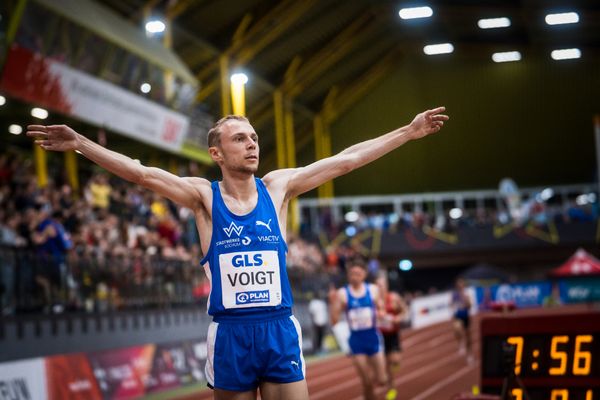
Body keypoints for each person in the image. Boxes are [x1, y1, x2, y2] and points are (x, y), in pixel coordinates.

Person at [27, 106, 448, 400]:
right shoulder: (203, 198)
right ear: (216, 153)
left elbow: (345, 161)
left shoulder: (277, 188)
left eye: (254, 137)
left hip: (279, 329)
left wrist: (407, 133)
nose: (252, 144)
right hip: (230, 335)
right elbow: (139, 172)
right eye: (240, 138)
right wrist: (81, 143)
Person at [330, 258, 387, 400]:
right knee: (366, 382)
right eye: (352, 273)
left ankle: (375, 379)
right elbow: (334, 319)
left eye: (358, 273)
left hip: (373, 337)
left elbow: (381, 308)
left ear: (364, 274)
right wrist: (333, 303)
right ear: (348, 275)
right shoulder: (343, 293)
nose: (355, 276)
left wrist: (381, 312)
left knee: (382, 379)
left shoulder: (372, 290)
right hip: (356, 339)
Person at [375, 271, 408, 400]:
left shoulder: (393, 298)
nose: (379, 288)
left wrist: (396, 319)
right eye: (377, 285)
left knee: (395, 361)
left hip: (393, 334)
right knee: (387, 364)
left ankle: (390, 379)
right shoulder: (373, 301)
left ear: (386, 286)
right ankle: (391, 388)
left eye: (381, 285)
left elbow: (405, 312)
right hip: (380, 336)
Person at [451, 278, 473, 363]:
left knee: (469, 338)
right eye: (458, 285)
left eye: (461, 285)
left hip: (466, 316)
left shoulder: (467, 294)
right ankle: (460, 343)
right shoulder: (454, 295)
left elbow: (470, 306)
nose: (460, 286)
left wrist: (465, 300)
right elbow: (452, 304)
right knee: (457, 329)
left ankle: (470, 355)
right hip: (458, 316)